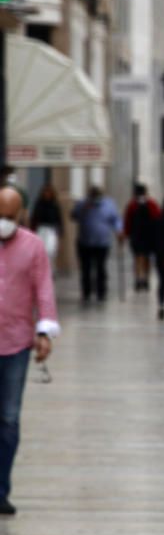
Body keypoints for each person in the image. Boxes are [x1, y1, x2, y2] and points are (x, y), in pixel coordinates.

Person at [0, 186, 59, 515]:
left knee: (8, 419)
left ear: (20, 215)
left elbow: (44, 291)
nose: (3, 223)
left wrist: (45, 332)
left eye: (9, 217)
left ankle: (1, 488)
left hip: (15, 343)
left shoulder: (33, 246)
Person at [71, 186, 122, 303]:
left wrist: (119, 230)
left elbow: (116, 220)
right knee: (86, 269)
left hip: (102, 242)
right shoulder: (83, 203)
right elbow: (73, 215)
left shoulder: (109, 204)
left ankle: (101, 292)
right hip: (85, 242)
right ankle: (86, 292)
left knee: (100, 267)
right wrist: (83, 209)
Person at [123, 183, 161, 292]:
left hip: (136, 236)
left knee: (137, 258)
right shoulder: (151, 204)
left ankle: (138, 279)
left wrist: (126, 234)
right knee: (146, 259)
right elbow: (157, 217)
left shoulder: (132, 205)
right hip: (148, 237)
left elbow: (127, 221)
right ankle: (145, 279)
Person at [30, 184, 63, 268]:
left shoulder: (54, 204)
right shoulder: (39, 203)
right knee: (41, 250)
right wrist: (32, 229)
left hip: (51, 228)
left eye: (49, 192)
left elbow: (59, 218)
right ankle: (41, 268)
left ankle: (50, 268)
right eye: (45, 192)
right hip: (41, 228)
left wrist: (60, 230)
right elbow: (34, 217)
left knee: (51, 250)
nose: (47, 194)